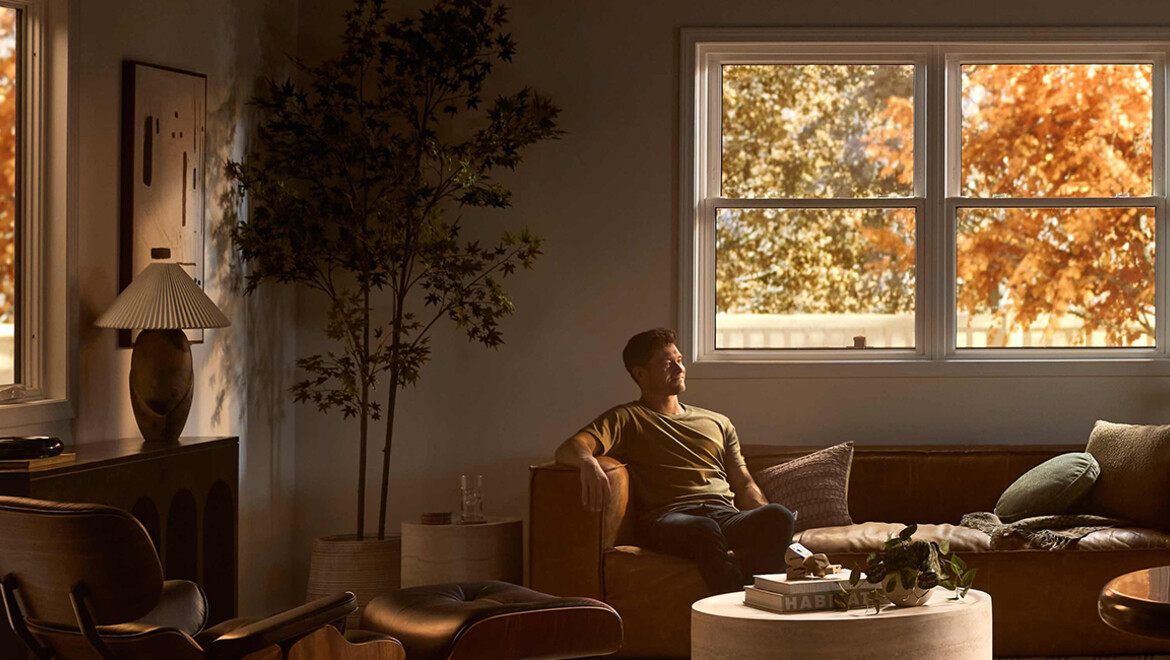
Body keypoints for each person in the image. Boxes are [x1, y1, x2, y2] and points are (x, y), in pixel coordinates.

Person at [555, 327, 795, 594]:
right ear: (640, 374)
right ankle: (735, 602)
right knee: (704, 529)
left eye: (680, 360)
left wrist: (761, 517)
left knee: (779, 516)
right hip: (669, 519)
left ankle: (763, 597)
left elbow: (744, 482)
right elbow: (571, 447)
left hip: (723, 516)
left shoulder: (717, 421)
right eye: (668, 364)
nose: (680, 368)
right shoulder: (627, 418)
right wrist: (588, 462)